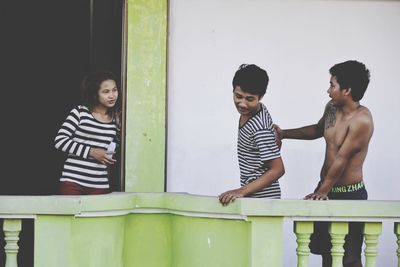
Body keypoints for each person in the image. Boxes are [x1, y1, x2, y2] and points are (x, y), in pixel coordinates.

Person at [274, 60, 373, 267]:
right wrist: (284, 134)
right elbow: (317, 130)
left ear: (347, 90)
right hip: (327, 190)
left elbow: (342, 159)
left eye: (332, 85)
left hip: (350, 195)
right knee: (328, 254)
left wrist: (323, 191)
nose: (328, 91)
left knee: (350, 258)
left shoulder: (362, 120)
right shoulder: (332, 107)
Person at [218, 64, 285, 206]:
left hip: (263, 201)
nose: (242, 104)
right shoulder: (252, 112)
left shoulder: (259, 127)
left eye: (249, 99)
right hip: (252, 197)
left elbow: (278, 169)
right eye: (238, 96)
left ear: (261, 97)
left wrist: (241, 191)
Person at [54, 70, 121, 195]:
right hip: (73, 181)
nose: (112, 95)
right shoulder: (80, 112)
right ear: (95, 94)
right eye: (106, 91)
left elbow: (114, 151)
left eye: (114, 90)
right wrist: (91, 152)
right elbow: (60, 140)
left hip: (99, 183)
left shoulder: (116, 119)